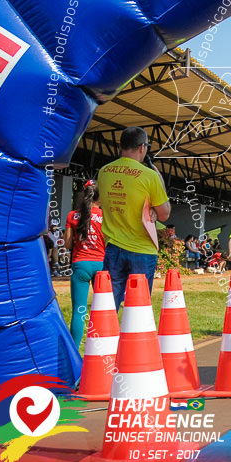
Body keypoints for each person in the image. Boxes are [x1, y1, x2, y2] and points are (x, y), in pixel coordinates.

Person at [97, 126, 170, 309]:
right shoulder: (150, 176)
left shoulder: (104, 172)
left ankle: (105, 337)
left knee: (108, 305)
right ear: (143, 148)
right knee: (138, 309)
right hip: (142, 249)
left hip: (112, 247)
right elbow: (164, 214)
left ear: (121, 146)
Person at [64, 180, 105, 346]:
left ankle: (74, 351)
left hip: (80, 264)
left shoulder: (72, 215)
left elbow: (67, 245)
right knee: (103, 311)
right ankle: (103, 348)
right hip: (101, 265)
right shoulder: (105, 216)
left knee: (79, 312)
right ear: (99, 196)